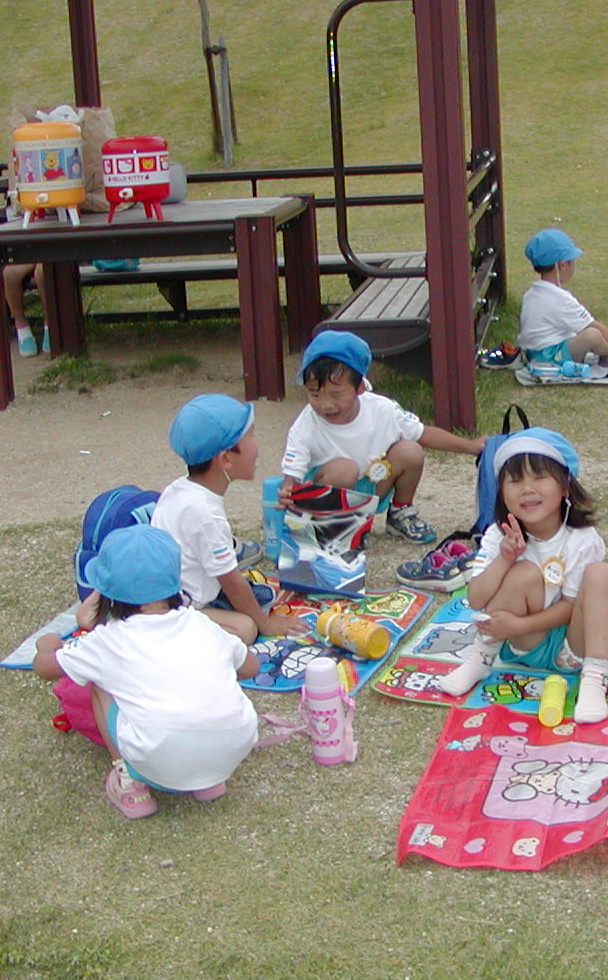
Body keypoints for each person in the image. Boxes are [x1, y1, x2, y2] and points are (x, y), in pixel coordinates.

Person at [32, 525, 261, 820]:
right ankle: (208, 782)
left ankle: (130, 782)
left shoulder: (108, 640)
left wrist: (46, 644)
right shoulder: (201, 623)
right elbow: (250, 667)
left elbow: (45, 668)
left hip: (160, 760)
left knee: (101, 684)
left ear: (106, 593)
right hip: (232, 751)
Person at [435, 429, 608, 724]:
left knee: (602, 574)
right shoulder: (499, 534)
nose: (527, 489)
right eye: (515, 480)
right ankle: (480, 659)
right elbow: (476, 600)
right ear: (501, 492)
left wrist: (519, 624)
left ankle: (594, 679)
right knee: (523, 573)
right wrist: (505, 559)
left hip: (574, 646)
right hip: (525, 644)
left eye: (540, 477)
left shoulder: (582, 539)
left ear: (565, 486)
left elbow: (571, 606)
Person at [279, 331, 485, 543]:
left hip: (370, 484)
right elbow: (294, 466)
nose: (326, 405)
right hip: (326, 492)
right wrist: (288, 488)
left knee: (410, 450)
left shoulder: (382, 409)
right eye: (315, 394)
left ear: (360, 387)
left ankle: (400, 513)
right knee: (344, 470)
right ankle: (331, 528)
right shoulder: (306, 424)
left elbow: (423, 433)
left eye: (336, 394)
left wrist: (472, 447)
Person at [153, 393, 307, 643]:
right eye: (252, 436)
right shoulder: (205, 513)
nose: (257, 445)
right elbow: (232, 584)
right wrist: (266, 624)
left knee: (260, 594)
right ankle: (170, 639)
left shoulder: (178, 489)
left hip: (164, 594)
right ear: (225, 458)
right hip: (181, 607)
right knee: (246, 628)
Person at [515, 229, 608, 366]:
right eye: (572, 262)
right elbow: (591, 325)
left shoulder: (531, 293)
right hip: (550, 356)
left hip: (531, 353)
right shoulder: (560, 299)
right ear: (562, 265)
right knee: (593, 335)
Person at [2, 263, 50, 356]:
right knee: (10, 274)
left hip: (49, 257)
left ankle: (50, 322)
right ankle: (21, 325)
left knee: (43, 272)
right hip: (27, 257)